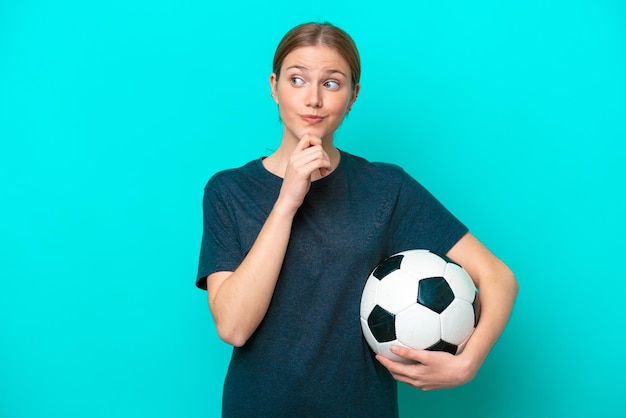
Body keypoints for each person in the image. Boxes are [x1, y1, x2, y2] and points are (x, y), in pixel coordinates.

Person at [197, 22, 518, 418]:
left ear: (353, 96)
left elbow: (498, 277)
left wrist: (468, 362)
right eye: (297, 80)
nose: (312, 99)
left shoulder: (385, 187)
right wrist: (287, 202)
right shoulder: (229, 192)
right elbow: (233, 327)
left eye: (331, 84)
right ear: (274, 86)